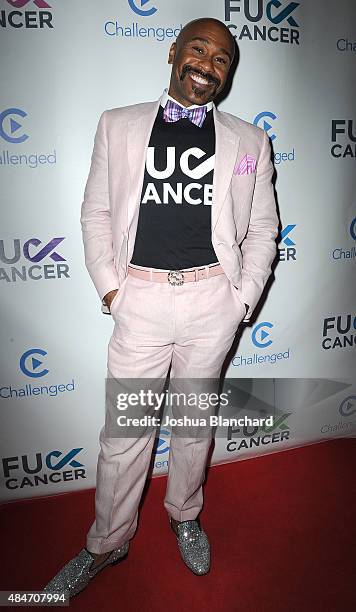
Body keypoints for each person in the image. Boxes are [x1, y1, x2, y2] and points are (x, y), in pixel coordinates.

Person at [43, 16, 279, 598]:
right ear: (173, 52)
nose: (207, 64)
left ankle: (184, 514)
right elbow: (96, 212)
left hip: (211, 300)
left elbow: (263, 228)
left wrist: (241, 300)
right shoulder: (117, 125)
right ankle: (108, 540)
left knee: (194, 425)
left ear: (228, 73)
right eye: (198, 49)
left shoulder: (250, 139)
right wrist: (111, 290)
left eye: (221, 59)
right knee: (125, 433)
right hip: (140, 298)